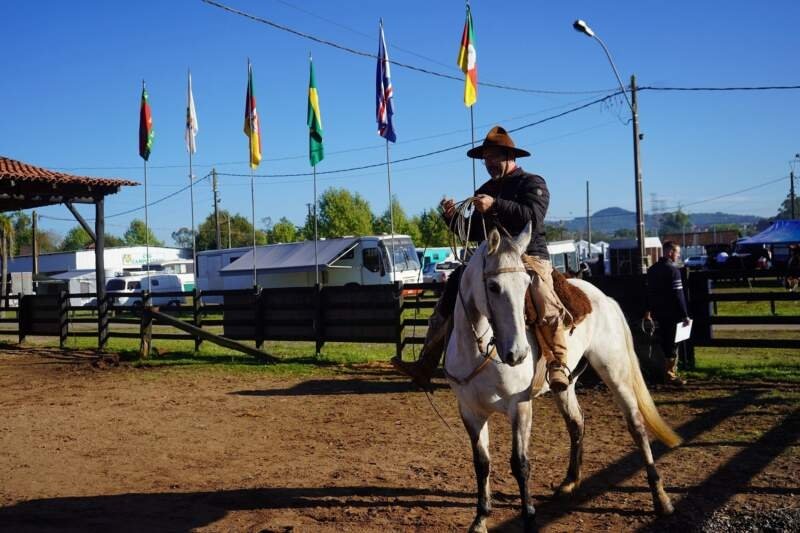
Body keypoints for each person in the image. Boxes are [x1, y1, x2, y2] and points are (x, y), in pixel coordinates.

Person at [391, 126, 571, 392]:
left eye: (494, 157)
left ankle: (558, 363)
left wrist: (495, 205)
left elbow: (533, 217)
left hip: (529, 255)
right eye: (486, 158)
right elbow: (474, 232)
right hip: (492, 259)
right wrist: (452, 218)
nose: (489, 163)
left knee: (542, 295)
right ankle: (426, 363)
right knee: (453, 292)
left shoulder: (532, 183)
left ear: (510, 156)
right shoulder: (485, 189)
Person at [644, 241, 691, 386]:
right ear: (670, 252)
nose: (678, 255)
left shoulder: (652, 270)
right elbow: (678, 295)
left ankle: (663, 373)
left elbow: (649, 294)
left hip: (657, 313)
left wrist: (648, 311)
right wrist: (684, 314)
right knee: (672, 345)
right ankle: (670, 375)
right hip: (672, 314)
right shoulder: (673, 271)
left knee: (662, 343)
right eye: (677, 252)